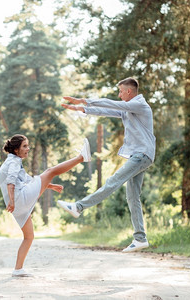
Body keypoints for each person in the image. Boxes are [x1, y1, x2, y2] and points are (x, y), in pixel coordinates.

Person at [58, 77, 156, 253]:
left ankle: (79, 207)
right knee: (133, 196)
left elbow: (113, 104)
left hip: (142, 154)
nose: (119, 95)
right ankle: (140, 238)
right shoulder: (128, 109)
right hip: (140, 155)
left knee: (113, 181)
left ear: (129, 91)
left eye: (120, 91)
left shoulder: (139, 105)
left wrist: (85, 100)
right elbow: (106, 110)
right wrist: (83, 109)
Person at [0, 134, 91, 277]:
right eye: (25, 146)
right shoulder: (14, 162)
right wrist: (12, 200)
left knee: (29, 236)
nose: (28, 149)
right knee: (50, 171)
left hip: (18, 206)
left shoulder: (12, 161)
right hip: (18, 200)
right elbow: (10, 182)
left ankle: (18, 269)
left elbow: (27, 180)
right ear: (16, 150)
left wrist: (50, 185)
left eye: (28, 145)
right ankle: (81, 157)